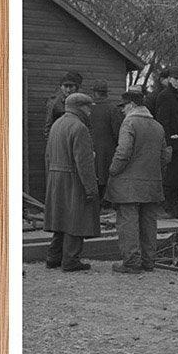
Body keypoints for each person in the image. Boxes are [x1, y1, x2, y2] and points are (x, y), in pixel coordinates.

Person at [105, 88, 169, 274]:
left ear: (131, 105)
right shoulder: (158, 126)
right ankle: (149, 261)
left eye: (124, 107)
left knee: (129, 222)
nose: (122, 110)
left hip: (128, 185)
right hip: (152, 183)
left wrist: (113, 170)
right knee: (149, 222)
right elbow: (164, 157)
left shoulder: (129, 123)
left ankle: (131, 262)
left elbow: (123, 152)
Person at [43, 92, 99, 271]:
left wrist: (50, 178)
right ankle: (71, 260)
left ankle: (54, 257)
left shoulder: (57, 125)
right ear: (80, 107)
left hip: (55, 178)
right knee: (76, 220)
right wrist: (91, 189)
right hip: (74, 179)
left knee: (60, 220)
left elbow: (47, 156)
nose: (90, 111)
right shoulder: (79, 127)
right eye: (88, 107)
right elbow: (84, 162)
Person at [154, 66, 178, 216]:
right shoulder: (165, 96)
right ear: (170, 79)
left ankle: (173, 208)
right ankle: (167, 208)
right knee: (171, 178)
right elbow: (163, 121)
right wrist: (168, 142)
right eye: (175, 79)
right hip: (172, 144)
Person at [88, 81, 123, 200]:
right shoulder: (112, 108)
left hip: (90, 148)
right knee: (106, 176)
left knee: (94, 175)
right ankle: (105, 202)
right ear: (106, 94)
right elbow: (117, 131)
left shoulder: (88, 108)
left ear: (94, 93)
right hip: (108, 150)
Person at [43, 70, 82, 137]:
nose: (68, 90)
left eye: (71, 87)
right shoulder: (54, 103)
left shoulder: (80, 101)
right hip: (60, 139)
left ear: (76, 88)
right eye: (66, 86)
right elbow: (48, 127)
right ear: (61, 87)